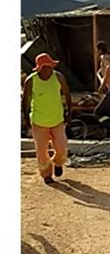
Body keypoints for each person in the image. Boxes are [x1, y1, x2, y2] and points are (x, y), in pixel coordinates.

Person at [22, 53, 72, 184]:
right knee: (42, 150)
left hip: (57, 119)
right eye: (47, 67)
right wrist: (25, 118)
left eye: (51, 67)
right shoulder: (31, 81)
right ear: (40, 68)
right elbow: (25, 101)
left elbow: (67, 94)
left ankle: (58, 163)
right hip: (39, 121)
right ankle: (46, 174)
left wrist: (69, 111)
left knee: (61, 146)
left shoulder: (59, 77)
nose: (50, 70)